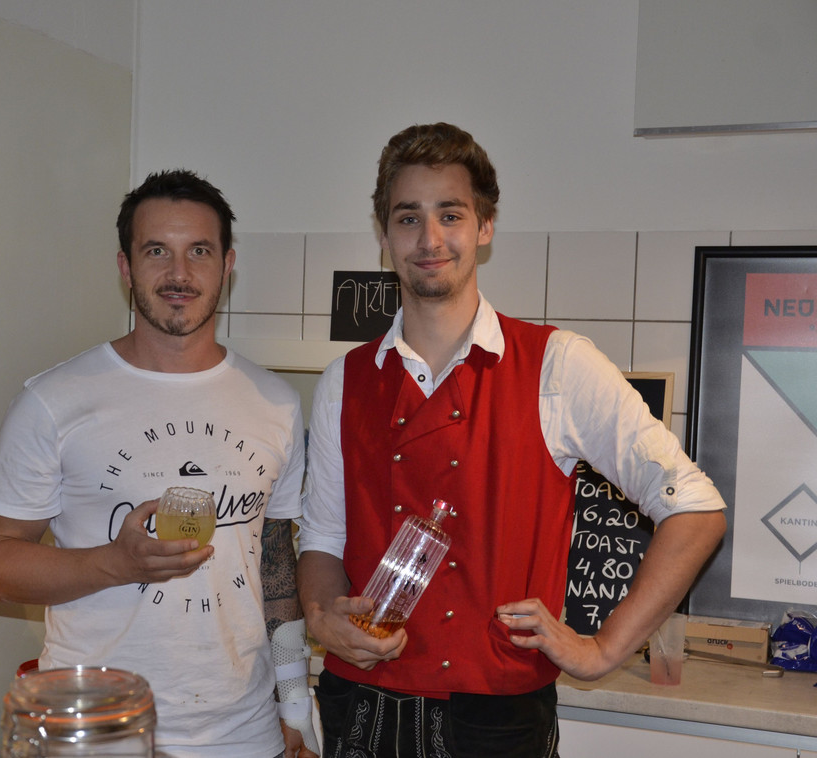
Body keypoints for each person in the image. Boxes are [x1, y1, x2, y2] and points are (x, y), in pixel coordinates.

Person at [296, 123, 727, 758]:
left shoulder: (557, 365)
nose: (429, 238)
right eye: (408, 218)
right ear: (384, 235)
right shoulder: (346, 379)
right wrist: (322, 615)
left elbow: (695, 509)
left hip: (498, 720)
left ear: (485, 227)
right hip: (363, 707)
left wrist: (602, 649)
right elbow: (322, 540)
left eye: (450, 215)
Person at [0, 169, 319, 758]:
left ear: (227, 266)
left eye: (199, 251)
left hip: (243, 731)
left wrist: (294, 703)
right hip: (97, 725)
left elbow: (276, 561)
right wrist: (114, 563)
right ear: (126, 267)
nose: (179, 274)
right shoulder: (53, 401)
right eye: (157, 251)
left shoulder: (276, 404)